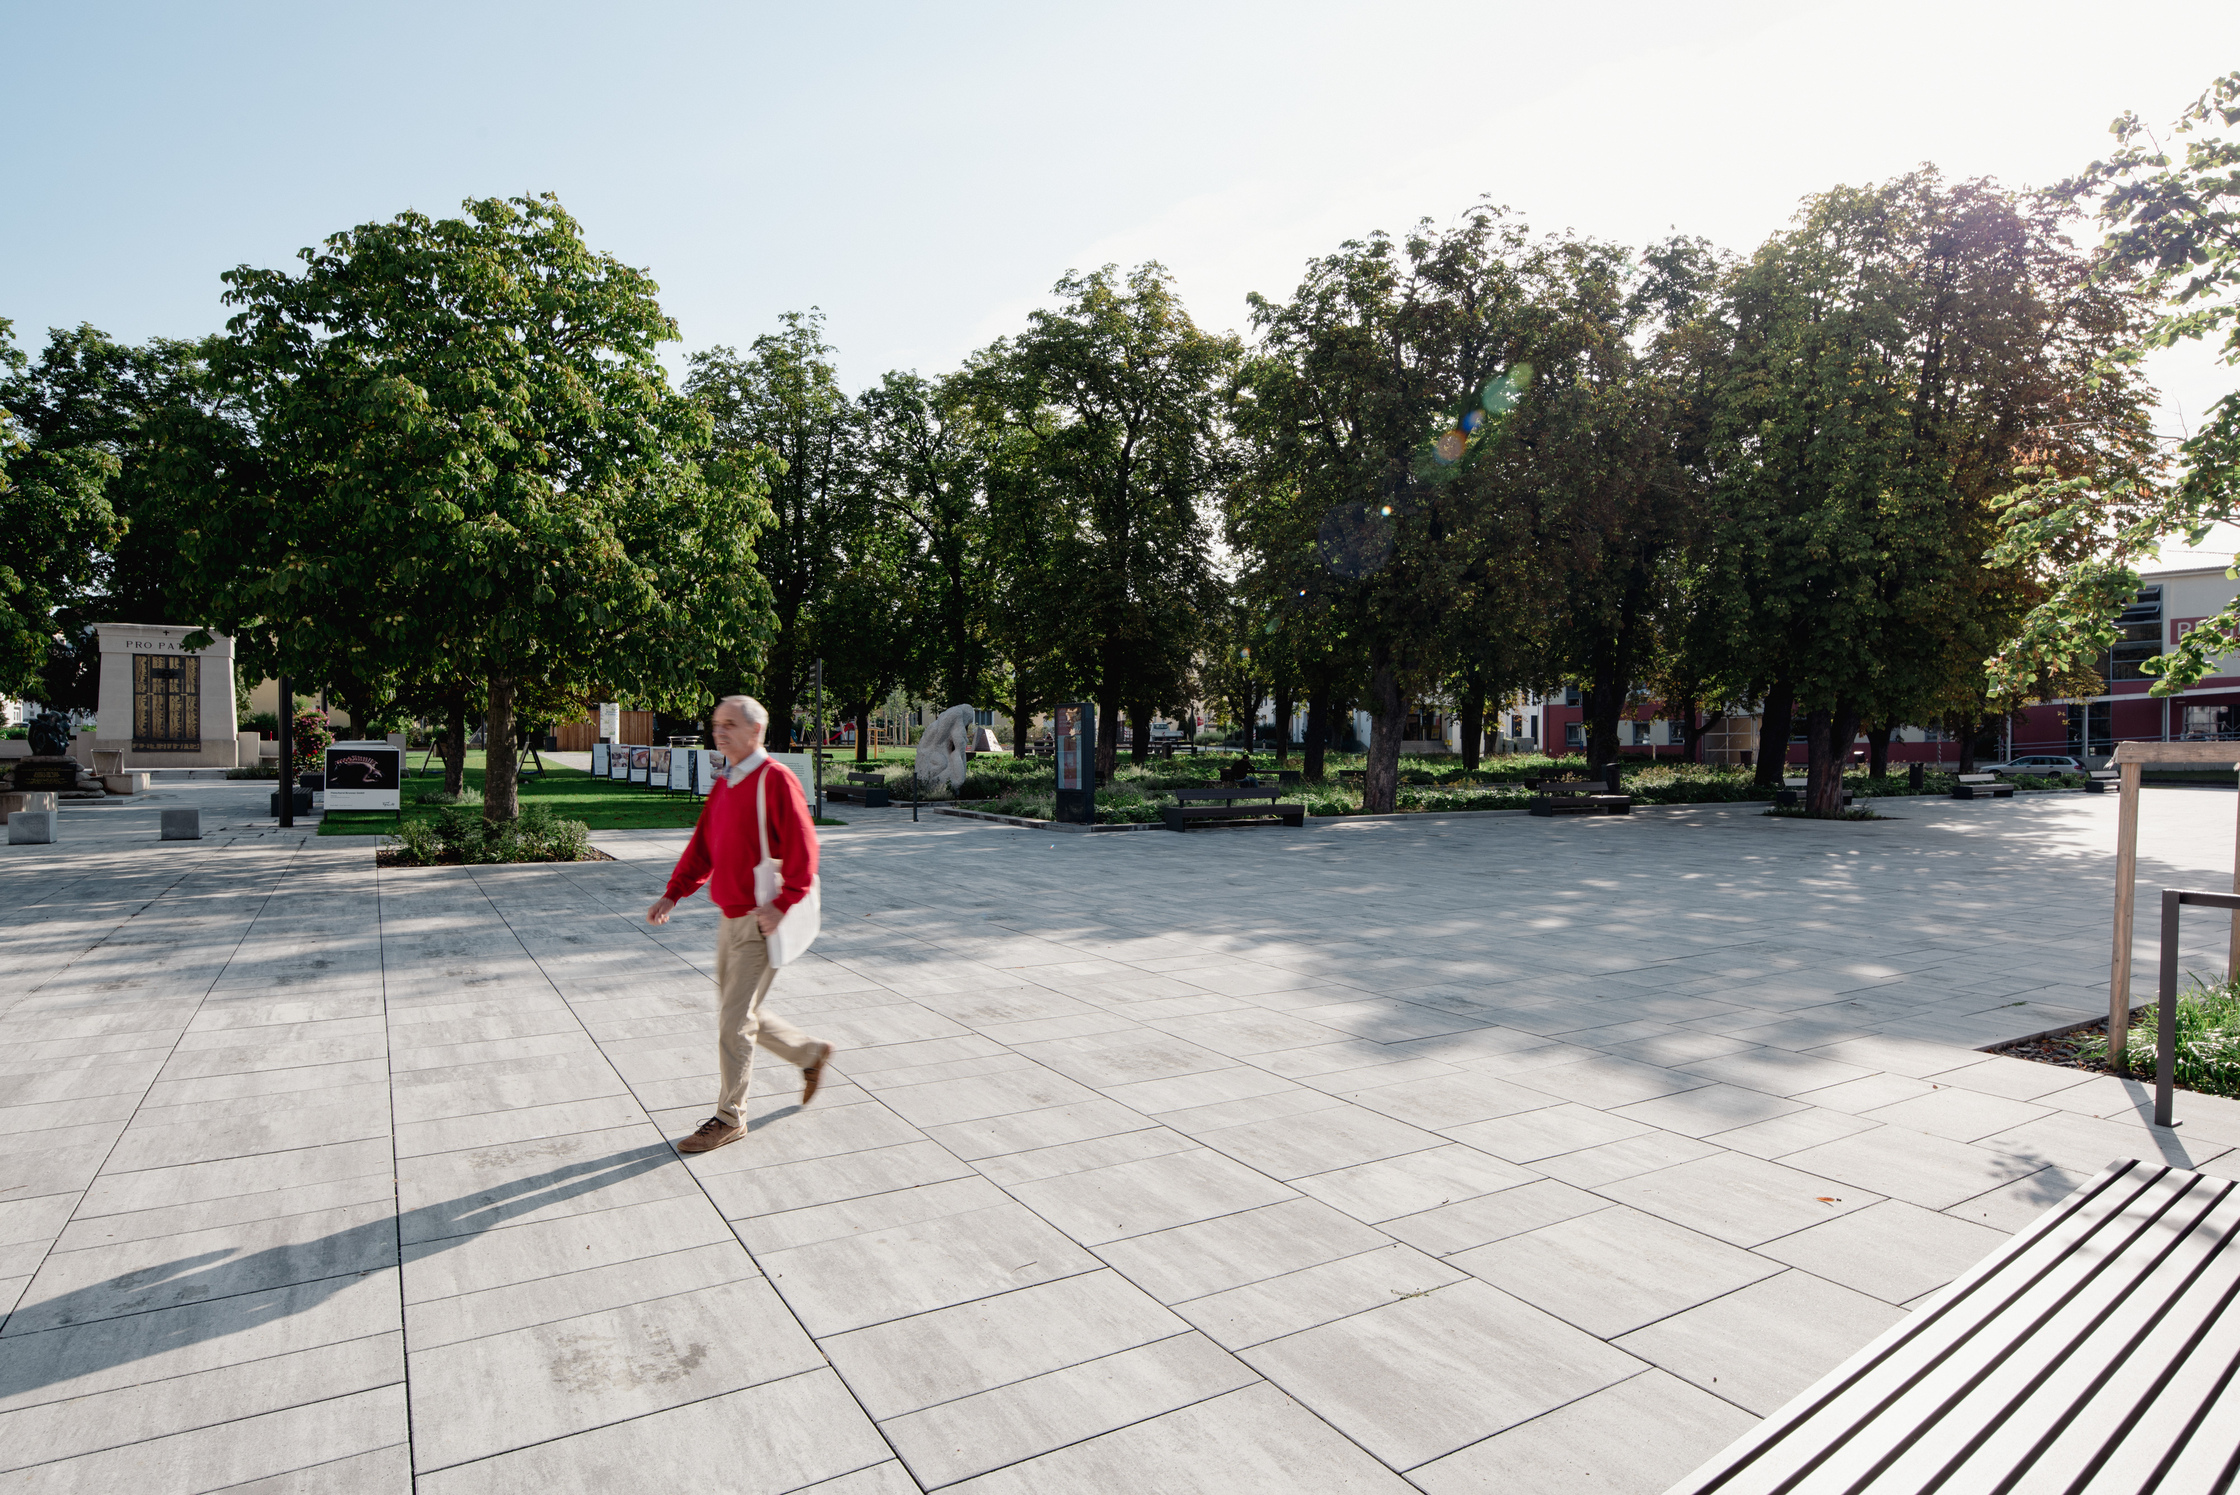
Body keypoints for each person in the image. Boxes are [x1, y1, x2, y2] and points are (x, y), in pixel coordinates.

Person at [647, 695, 834, 1154]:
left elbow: (805, 848)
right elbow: (703, 847)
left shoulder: (775, 779)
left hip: (758, 921)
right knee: (739, 1014)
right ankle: (809, 1053)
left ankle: (730, 1118)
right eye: (716, 724)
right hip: (729, 918)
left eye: (730, 724)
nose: (719, 731)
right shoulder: (727, 781)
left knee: (734, 1022)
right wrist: (673, 892)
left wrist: (783, 903)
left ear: (756, 731)